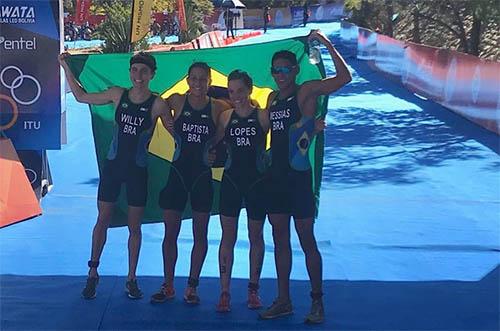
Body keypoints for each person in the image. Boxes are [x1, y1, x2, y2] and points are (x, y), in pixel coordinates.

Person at [58, 51, 173, 300]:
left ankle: (131, 278)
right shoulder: (117, 94)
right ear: (130, 72)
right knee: (103, 219)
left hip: (137, 172)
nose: (139, 76)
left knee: (135, 227)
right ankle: (92, 272)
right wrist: (66, 67)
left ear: (152, 74)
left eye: (144, 71)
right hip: (113, 168)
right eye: (135, 71)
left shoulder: (158, 104)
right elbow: (80, 97)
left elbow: (178, 135)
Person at [258, 30, 352, 323]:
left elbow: (344, 78)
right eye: (275, 70)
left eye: (285, 69)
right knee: (279, 238)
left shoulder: (306, 91)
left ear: (295, 70)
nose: (280, 74)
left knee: (306, 239)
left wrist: (326, 43)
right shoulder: (272, 98)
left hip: (298, 178)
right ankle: (283, 300)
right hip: (276, 177)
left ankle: (317, 302)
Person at [151, 62, 229, 305]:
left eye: (202, 79)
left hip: (201, 178)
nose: (197, 84)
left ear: (209, 82)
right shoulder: (176, 101)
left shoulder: (217, 107)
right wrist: (168, 125)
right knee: (170, 233)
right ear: (187, 80)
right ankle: (169, 284)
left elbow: (236, 116)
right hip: (178, 173)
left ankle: (192, 286)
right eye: (193, 79)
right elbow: (156, 103)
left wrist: (215, 144)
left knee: (200, 235)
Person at [211, 70, 270, 312]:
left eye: (240, 91)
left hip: (257, 183)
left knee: (256, 237)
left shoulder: (263, 116)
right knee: (228, 237)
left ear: (250, 89)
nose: (236, 96)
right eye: (231, 91)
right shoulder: (225, 117)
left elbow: (289, 132)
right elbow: (211, 144)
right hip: (231, 182)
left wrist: (313, 126)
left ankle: (253, 291)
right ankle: (224, 292)